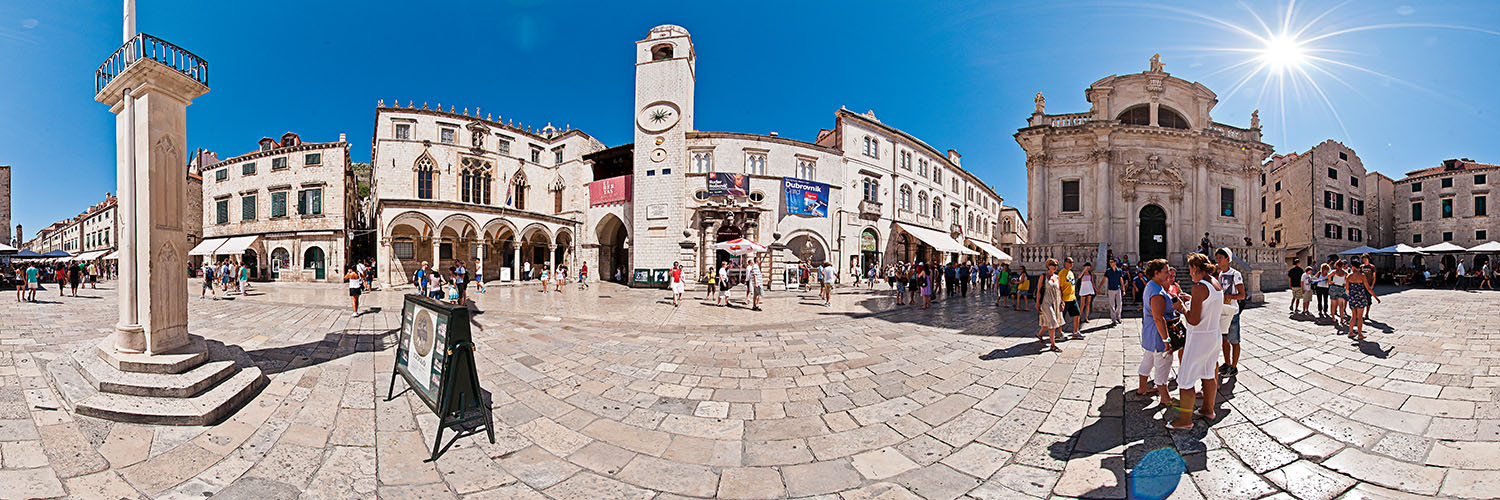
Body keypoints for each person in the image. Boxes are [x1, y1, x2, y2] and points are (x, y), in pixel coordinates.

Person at [1168, 253, 1223, 430]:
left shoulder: (1199, 287)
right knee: (1208, 373)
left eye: (1190, 269)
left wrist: (1181, 307)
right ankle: (1208, 409)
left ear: (1194, 269)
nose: (1190, 274)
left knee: (1186, 379)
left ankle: (1185, 420)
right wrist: (1191, 300)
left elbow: (1193, 320)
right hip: (1213, 335)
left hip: (1199, 338)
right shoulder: (1215, 283)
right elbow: (1209, 304)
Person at [1138, 258, 1181, 406]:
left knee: (1148, 359)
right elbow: (1158, 317)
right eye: (1165, 271)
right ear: (1156, 273)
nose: (1168, 273)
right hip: (1158, 334)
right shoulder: (1156, 292)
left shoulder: (1152, 285)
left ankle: (1142, 387)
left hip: (1150, 331)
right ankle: (1165, 397)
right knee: (1164, 362)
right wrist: (1166, 340)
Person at [1215, 248, 1246, 378]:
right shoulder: (1220, 274)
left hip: (1232, 311)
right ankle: (1227, 363)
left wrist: (1227, 296)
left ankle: (1234, 366)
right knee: (1224, 340)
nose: (1218, 261)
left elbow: (1242, 295)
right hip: (1222, 311)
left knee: (1234, 340)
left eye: (1220, 258)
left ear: (1227, 258)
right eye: (1217, 258)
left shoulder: (1235, 274)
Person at [1347, 256, 1379, 340]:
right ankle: (1360, 334)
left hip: (1352, 297)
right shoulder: (1362, 276)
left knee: (1353, 316)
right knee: (1360, 317)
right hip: (1361, 297)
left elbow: (1347, 289)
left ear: (1353, 267)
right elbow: (1368, 288)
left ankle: (1350, 332)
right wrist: (1376, 297)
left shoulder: (1349, 276)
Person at [1036, 258, 1064, 352]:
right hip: (1046, 301)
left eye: (1056, 265)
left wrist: (1062, 302)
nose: (1055, 266)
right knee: (1052, 321)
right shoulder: (1043, 276)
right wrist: (1037, 302)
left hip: (1055, 301)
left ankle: (1039, 334)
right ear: (1048, 266)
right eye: (1053, 264)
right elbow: (1039, 290)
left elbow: (1059, 290)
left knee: (1049, 321)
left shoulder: (1057, 277)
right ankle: (1053, 345)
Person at [1058, 257, 1082, 338]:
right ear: (1065, 263)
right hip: (1065, 299)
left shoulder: (1071, 273)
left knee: (1077, 314)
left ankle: (1075, 332)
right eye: (1069, 262)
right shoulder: (1061, 274)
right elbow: (1059, 288)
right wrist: (1061, 300)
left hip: (1072, 298)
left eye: (1072, 262)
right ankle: (1059, 333)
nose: (1071, 264)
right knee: (1061, 317)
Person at [1105, 260, 1125, 324]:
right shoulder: (1108, 271)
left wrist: (1123, 290)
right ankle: (1113, 319)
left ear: (1115, 262)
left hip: (1118, 289)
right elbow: (1104, 279)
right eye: (1110, 262)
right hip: (1110, 289)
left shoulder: (1119, 270)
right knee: (1112, 305)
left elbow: (1121, 280)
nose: (1110, 263)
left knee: (1119, 304)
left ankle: (1118, 317)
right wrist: (1099, 287)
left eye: (1112, 262)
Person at [1330, 260, 1349, 326]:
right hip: (1341, 288)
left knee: (1333, 304)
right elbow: (1347, 281)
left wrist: (1330, 282)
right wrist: (1345, 284)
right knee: (1341, 305)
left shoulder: (1334, 272)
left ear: (1337, 265)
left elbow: (1328, 276)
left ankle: (1333, 318)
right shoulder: (1345, 273)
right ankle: (1341, 319)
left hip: (1333, 287)